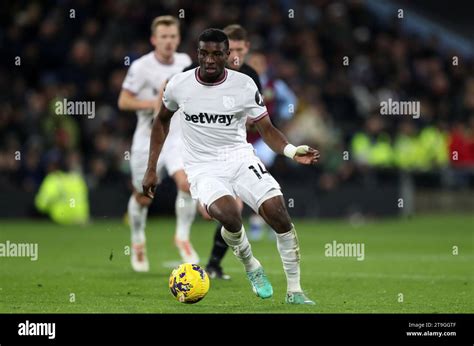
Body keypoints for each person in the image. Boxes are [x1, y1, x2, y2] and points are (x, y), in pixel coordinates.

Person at [142, 29, 319, 304]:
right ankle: (252, 266)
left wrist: (291, 150)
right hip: (202, 166)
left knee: (279, 214)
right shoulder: (179, 84)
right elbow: (161, 121)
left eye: (216, 54)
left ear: (228, 55)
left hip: (240, 158)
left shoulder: (245, 85)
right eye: (204, 53)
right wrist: (151, 168)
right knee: (229, 215)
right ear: (198, 53)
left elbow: (267, 128)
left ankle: (295, 291)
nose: (209, 59)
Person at [118, 16, 199, 272]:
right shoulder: (141, 67)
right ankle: (138, 240)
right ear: (154, 39)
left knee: (186, 184)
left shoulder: (186, 62)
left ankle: (182, 237)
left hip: (176, 136)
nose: (168, 41)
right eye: (163, 37)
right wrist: (153, 105)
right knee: (143, 197)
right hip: (147, 138)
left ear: (178, 38)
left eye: (173, 36)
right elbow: (123, 101)